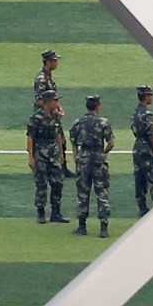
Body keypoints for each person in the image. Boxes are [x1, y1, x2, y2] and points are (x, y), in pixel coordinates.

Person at [69, 95, 115, 238]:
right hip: (98, 160)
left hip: (83, 159)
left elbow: (73, 142)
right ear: (97, 106)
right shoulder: (103, 122)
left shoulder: (78, 122)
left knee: (83, 193)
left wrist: (77, 158)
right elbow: (111, 142)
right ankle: (103, 227)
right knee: (101, 193)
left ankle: (82, 226)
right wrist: (103, 153)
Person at [27, 90, 69, 224]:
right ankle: (41, 213)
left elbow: (57, 135)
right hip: (41, 154)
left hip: (54, 153)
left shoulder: (55, 116)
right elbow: (30, 137)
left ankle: (56, 213)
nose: (57, 103)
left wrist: (61, 154)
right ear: (47, 102)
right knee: (41, 184)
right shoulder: (36, 117)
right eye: (55, 101)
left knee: (57, 183)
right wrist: (31, 157)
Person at [33, 49, 74, 178]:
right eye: (54, 60)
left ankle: (63, 167)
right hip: (44, 116)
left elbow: (53, 97)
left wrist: (58, 107)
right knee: (44, 142)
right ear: (48, 62)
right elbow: (40, 100)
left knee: (61, 140)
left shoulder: (49, 76)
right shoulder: (41, 79)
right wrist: (55, 109)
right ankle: (42, 168)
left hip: (52, 114)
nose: (56, 63)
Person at [131, 85, 153, 216]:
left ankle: (142, 207)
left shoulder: (135, 113)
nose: (152, 97)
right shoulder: (147, 114)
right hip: (147, 149)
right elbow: (152, 135)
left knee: (139, 178)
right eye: (150, 95)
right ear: (146, 97)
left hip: (137, 146)